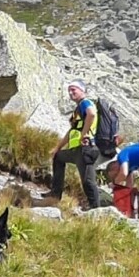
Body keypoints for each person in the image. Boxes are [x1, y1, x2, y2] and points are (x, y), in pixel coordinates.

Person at [44, 82, 100, 210]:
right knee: (58, 157)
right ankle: (55, 193)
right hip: (76, 151)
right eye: (69, 90)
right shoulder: (79, 108)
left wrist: (84, 134)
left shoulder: (85, 103)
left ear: (82, 90)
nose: (70, 93)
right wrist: (58, 147)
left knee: (88, 182)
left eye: (73, 90)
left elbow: (91, 114)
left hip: (86, 149)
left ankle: (96, 209)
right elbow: (72, 131)